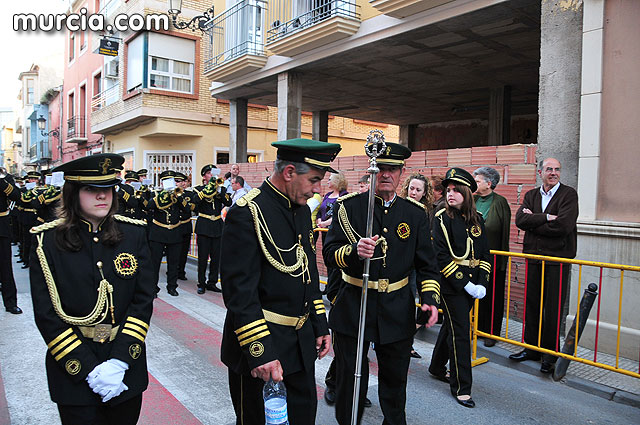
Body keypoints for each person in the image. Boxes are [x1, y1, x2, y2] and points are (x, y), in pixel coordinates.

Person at [220, 138, 340, 425]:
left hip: (300, 345)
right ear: (289, 172)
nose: (317, 189)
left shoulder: (299, 209)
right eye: (313, 180)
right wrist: (260, 351)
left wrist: (319, 325)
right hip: (261, 348)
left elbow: (307, 274)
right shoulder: (247, 212)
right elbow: (240, 294)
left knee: (302, 418)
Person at [28, 153, 154, 425]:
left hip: (125, 365)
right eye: (91, 189)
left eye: (108, 188)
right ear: (73, 193)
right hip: (73, 370)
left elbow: (142, 302)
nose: (103, 196)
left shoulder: (133, 234)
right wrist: (88, 369)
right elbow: (47, 315)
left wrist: (119, 362)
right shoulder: (46, 242)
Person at [323, 142, 440, 425]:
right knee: (350, 378)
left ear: (401, 174)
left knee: (395, 379)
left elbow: (427, 264)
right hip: (355, 303)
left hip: (396, 306)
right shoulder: (348, 208)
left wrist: (429, 299)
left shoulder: (414, 214)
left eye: (393, 169)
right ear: (372, 172)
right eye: (382, 169)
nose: (386, 175)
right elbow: (329, 253)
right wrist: (354, 252)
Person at [428, 167, 491, 409]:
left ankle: (435, 367)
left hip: (474, 284)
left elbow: (485, 254)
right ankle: (462, 387)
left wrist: (482, 284)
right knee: (461, 333)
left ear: (467, 192)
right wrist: (465, 284)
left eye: (456, 190)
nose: (450, 194)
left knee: (453, 325)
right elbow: (441, 257)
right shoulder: (442, 218)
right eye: (448, 190)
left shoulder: (477, 220)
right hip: (451, 284)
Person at [510, 158, 578, 374]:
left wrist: (535, 222)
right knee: (532, 303)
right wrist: (547, 217)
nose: (554, 173)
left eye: (557, 169)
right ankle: (531, 349)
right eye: (549, 169)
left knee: (553, 307)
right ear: (540, 172)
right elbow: (520, 220)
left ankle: (550, 354)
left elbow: (564, 226)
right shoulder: (531, 195)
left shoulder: (568, 195)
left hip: (557, 260)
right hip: (533, 257)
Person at [473, 167, 511, 347]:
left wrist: (502, 262)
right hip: (473, 257)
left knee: (492, 295)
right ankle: (475, 327)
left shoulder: (500, 202)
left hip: (493, 257)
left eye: (478, 181)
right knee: (474, 292)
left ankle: (491, 332)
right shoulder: (471, 199)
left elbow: (503, 233)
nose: (475, 183)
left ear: (489, 184)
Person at [399, 173, 435, 359]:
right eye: (411, 188)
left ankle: (407, 343)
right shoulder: (399, 207)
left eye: (418, 190)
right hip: (399, 264)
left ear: (424, 193)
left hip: (416, 265)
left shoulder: (428, 212)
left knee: (409, 303)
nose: (413, 192)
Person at [147, 170, 190, 296]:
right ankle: (153, 287)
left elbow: (187, 208)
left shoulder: (178, 194)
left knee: (174, 263)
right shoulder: (155, 193)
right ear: (162, 182)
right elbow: (149, 206)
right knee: (155, 263)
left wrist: (178, 197)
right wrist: (163, 195)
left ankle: (172, 287)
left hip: (175, 231)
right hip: (158, 232)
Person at [192, 164, 231, 294]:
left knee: (216, 257)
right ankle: (201, 283)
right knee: (203, 257)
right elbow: (194, 203)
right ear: (204, 176)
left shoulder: (221, 188)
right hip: (204, 225)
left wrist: (219, 191)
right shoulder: (198, 189)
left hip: (217, 225)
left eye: (213, 173)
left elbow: (229, 202)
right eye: (209, 173)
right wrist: (206, 190)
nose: (212, 175)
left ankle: (212, 282)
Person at [1, 172, 22, 314]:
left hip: (1, 226)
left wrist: (1, 182)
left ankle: (10, 303)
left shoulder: (5, 178)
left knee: (5, 266)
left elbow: (16, 196)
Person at [175, 172, 194, 281]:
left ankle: (181, 271)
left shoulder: (189, 194)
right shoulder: (172, 194)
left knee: (184, 251)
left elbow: (189, 208)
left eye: (181, 181)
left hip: (185, 225)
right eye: (177, 181)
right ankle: (173, 270)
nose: (180, 183)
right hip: (176, 225)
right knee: (174, 251)